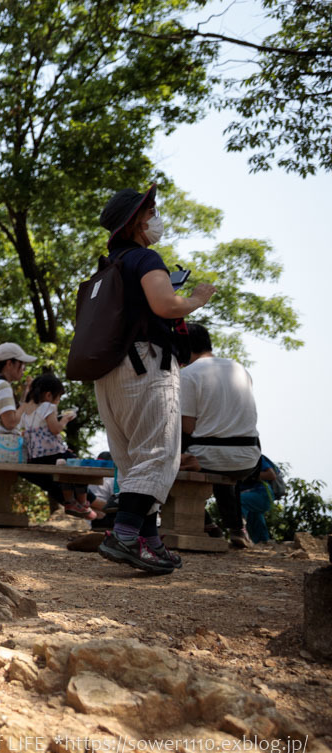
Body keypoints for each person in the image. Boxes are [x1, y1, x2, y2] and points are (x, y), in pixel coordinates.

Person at [93, 184, 215, 575]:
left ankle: (150, 543)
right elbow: (165, 304)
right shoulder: (145, 258)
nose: (156, 219)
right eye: (151, 213)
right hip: (146, 365)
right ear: (135, 223)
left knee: (133, 461)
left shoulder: (108, 265)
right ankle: (125, 536)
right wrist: (196, 298)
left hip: (109, 370)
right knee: (159, 455)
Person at [179, 322, 261, 548]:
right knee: (222, 461)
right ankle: (237, 529)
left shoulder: (187, 374)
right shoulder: (239, 368)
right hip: (249, 458)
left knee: (159, 461)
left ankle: (207, 525)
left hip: (208, 458)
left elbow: (187, 427)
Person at [18, 373, 91, 518]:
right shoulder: (47, 406)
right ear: (49, 395)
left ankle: (70, 501)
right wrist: (64, 420)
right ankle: (81, 502)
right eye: (58, 398)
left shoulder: (26, 408)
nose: (58, 402)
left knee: (64, 464)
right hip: (51, 454)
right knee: (77, 464)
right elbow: (55, 429)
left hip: (35, 456)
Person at [241, 455, 282, 544]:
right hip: (252, 496)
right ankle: (263, 543)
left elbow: (271, 475)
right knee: (255, 519)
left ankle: (239, 531)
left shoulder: (250, 456)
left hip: (262, 494)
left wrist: (248, 476)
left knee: (239, 501)